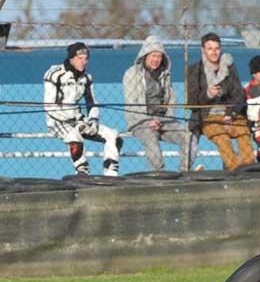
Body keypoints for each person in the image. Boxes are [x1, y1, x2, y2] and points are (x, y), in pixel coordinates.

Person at [43, 42, 122, 176]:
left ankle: (111, 174)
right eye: (80, 59)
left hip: (79, 119)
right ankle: (82, 173)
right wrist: (75, 121)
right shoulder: (54, 74)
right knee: (75, 138)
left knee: (114, 136)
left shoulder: (86, 78)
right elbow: (49, 106)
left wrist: (93, 120)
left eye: (86, 59)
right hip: (57, 120)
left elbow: (92, 103)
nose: (84, 62)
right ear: (71, 58)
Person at [123, 35, 194, 171]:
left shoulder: (165, 75)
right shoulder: (131, 74)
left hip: (164, 119)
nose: (156, 60)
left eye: (159, 56)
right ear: (145, 55)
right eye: (153, 56)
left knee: (188, 136)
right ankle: (159, 175)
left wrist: (168, 118)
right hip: (140, 121)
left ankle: (185, 171)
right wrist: (148, 121)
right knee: (151, 140)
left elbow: (171, 99)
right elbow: (131, 104)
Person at [187, 32, 255, 170]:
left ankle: (249, 170)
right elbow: (192, 102)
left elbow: (239, 94)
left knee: (245, 139)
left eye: (217, 48)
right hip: (208, 116)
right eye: (210, 48)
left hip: (231, 115)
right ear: (203, 50)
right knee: (223, 140)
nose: (214, 52)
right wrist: (208, 94)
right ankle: (235, 172)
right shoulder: (195, 70)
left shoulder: (229, 67)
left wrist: (230, 114)